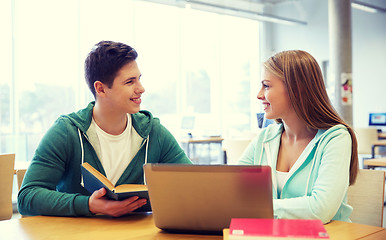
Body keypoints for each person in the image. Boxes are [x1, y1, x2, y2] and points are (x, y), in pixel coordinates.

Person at [18, 40, 192, 217]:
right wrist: (88, 205)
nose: (141, 88)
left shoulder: (153, 131)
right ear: (100, 89)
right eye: (130, 82)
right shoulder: (66, 131)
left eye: (139, 79)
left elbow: (193, 183)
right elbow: (27, 197)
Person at [239, 50, 358, 224]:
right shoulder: (265, 137)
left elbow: (320, 209)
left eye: (266, 86)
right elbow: (233, 191)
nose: (259, 95)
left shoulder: (336, 138)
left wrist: (257, 208)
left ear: (296, 88)